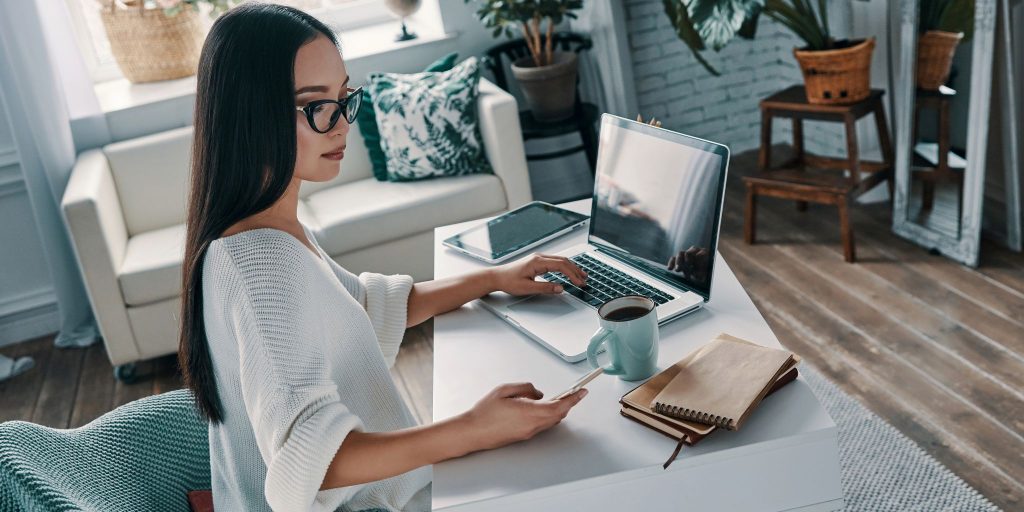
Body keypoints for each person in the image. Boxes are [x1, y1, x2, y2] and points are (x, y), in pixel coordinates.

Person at [176, 3, 589, 511]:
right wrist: (474, 429)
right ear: (251, 116)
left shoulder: (269, 232)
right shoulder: (257, 264)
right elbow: (317, 463)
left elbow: (369, 307)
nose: (341, 123)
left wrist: (494, 278)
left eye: (343, 97)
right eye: (315, 105)